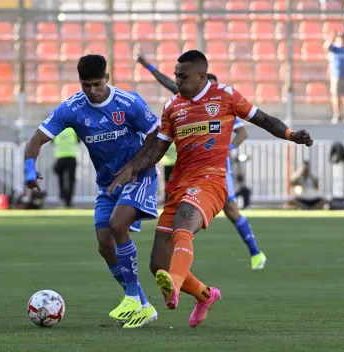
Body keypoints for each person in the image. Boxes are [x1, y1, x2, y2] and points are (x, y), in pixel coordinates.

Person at [109, 50, 313, 327]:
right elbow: (157, 148)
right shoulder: (172, 107)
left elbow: (263, 120)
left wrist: (291, 135)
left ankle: (176, 287)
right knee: (158, 264)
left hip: (211, 182)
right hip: (178, 185)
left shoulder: (226, 96)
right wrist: (132, 167)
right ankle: (205, 295)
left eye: (183, 76)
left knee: (184, 225)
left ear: (202, 76)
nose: (177, 80)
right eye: (175, 76)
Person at [23, 54, 159, 328]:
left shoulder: (129, 103)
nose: (92, 91)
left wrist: (133, 167)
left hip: (138, 175)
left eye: (97, 84)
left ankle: (131, 296)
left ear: (106, 79)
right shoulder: (73, 108)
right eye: (86, 85)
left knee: (117, 224)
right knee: (104, 244)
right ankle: (144, 305)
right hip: (107, 184)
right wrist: (29, 169)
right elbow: (37, 139)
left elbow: (158, 137)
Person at [136, 52, 266, 269]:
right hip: (189, 171)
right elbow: (170, 83)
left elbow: (242, 133)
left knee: (231, 211)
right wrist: (148, 66)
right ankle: (177, 266)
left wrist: (228, 148)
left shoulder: (223, 104)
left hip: (218, 169)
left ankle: (255, 253)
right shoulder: (185, 100)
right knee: (180, 216)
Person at [52, 128, 79, 208]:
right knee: (71, 180)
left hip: (60, 157)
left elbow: (51, 141)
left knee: (61, 179)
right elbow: (78, 141)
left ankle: (62, 196)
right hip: (71, 156)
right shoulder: (73, 130)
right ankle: (69, 200)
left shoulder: (57, 129)